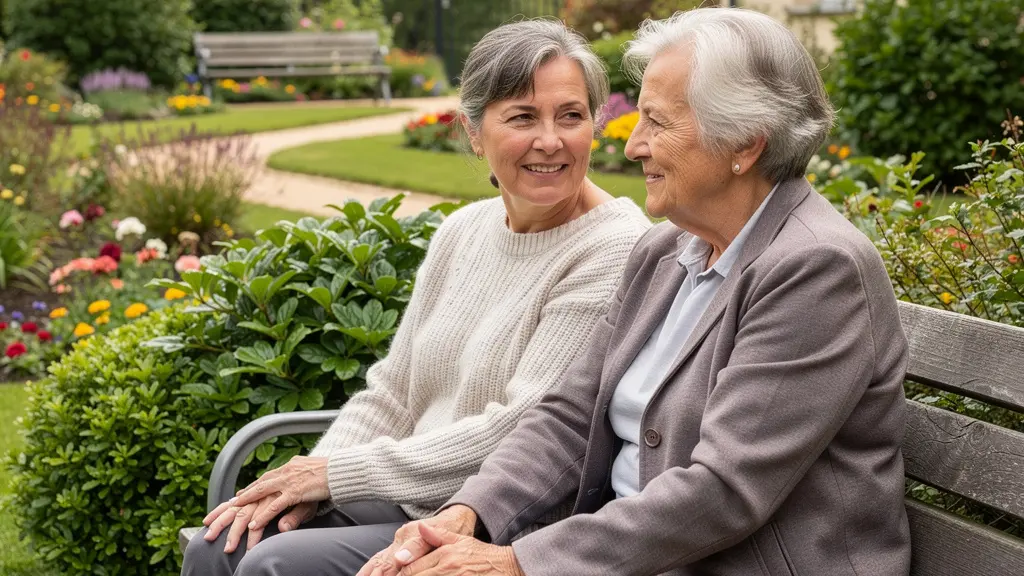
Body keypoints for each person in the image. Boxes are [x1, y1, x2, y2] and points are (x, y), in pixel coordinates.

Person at [362, 8, 912, 576]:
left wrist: (515, 564)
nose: (632, 147)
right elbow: (571, 417)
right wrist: (470, 511)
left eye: (657, 122)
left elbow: (722, 492)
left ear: (744, 141)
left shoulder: (816, 270)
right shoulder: (667, 253)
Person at [181, 19, 651, 576]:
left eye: (570, 116)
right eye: (523, 117)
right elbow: (394, 391)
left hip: (496, 520)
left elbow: (526, 431)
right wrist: (313, 474)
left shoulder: (613, 246)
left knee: (276, 564)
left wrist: (337, 476)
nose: (550, 140)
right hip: (399, 493)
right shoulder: (464, 230)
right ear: (475, 133)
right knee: (217, 545)